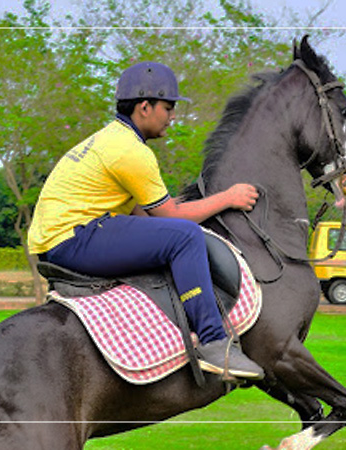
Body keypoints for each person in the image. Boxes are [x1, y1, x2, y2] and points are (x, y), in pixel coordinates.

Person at [28, 61, 264, 381]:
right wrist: (229, 197)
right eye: (168, 108)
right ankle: (213, 344)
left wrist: (171, 215)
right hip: (75, 237)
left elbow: (142, 211)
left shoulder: (111, 139)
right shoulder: (130, 151)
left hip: (67, 234)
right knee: (184, 236)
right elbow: (173, 217)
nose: (173, 116)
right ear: (144, 107)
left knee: (174, 231)